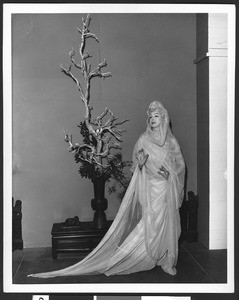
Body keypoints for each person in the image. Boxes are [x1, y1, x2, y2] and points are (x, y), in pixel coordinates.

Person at [28, 100, 185, 278]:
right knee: (150, 225)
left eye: (156, 116)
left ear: (163, 118)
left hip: (165, 189)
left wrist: (170, 176)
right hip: (150, 189)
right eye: (149, 116)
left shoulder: (171, 141)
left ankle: (166, 260)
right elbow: (136, 165)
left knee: (168, 224)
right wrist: (141, 166)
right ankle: (138, 256)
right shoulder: (144, 139)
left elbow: (179, 166)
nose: (152, 119)